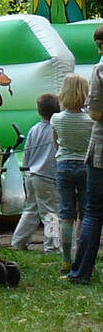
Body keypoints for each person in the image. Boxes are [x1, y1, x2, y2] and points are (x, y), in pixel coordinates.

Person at [64, 27, 103, 283]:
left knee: (93, 212)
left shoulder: (99, 70)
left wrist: (90, 108)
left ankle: (80, 272)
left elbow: (97, 113)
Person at [51, 73, 92, 273]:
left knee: (66, 214)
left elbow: (55, 143)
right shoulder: (90, 121)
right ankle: (83, 258)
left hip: (64, 165)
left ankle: (66, 259)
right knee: (86, 214)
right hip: (86, 166)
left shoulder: (56, 118)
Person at [10, 93, 60, 253]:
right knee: (51, 213)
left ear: (39, 111)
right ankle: (52, 247)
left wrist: (26, 172)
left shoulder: (34, 130)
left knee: (31, 210)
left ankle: (18, 242)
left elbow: (27, 154)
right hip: (47, 176)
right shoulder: (57, 130)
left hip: (31, 175)